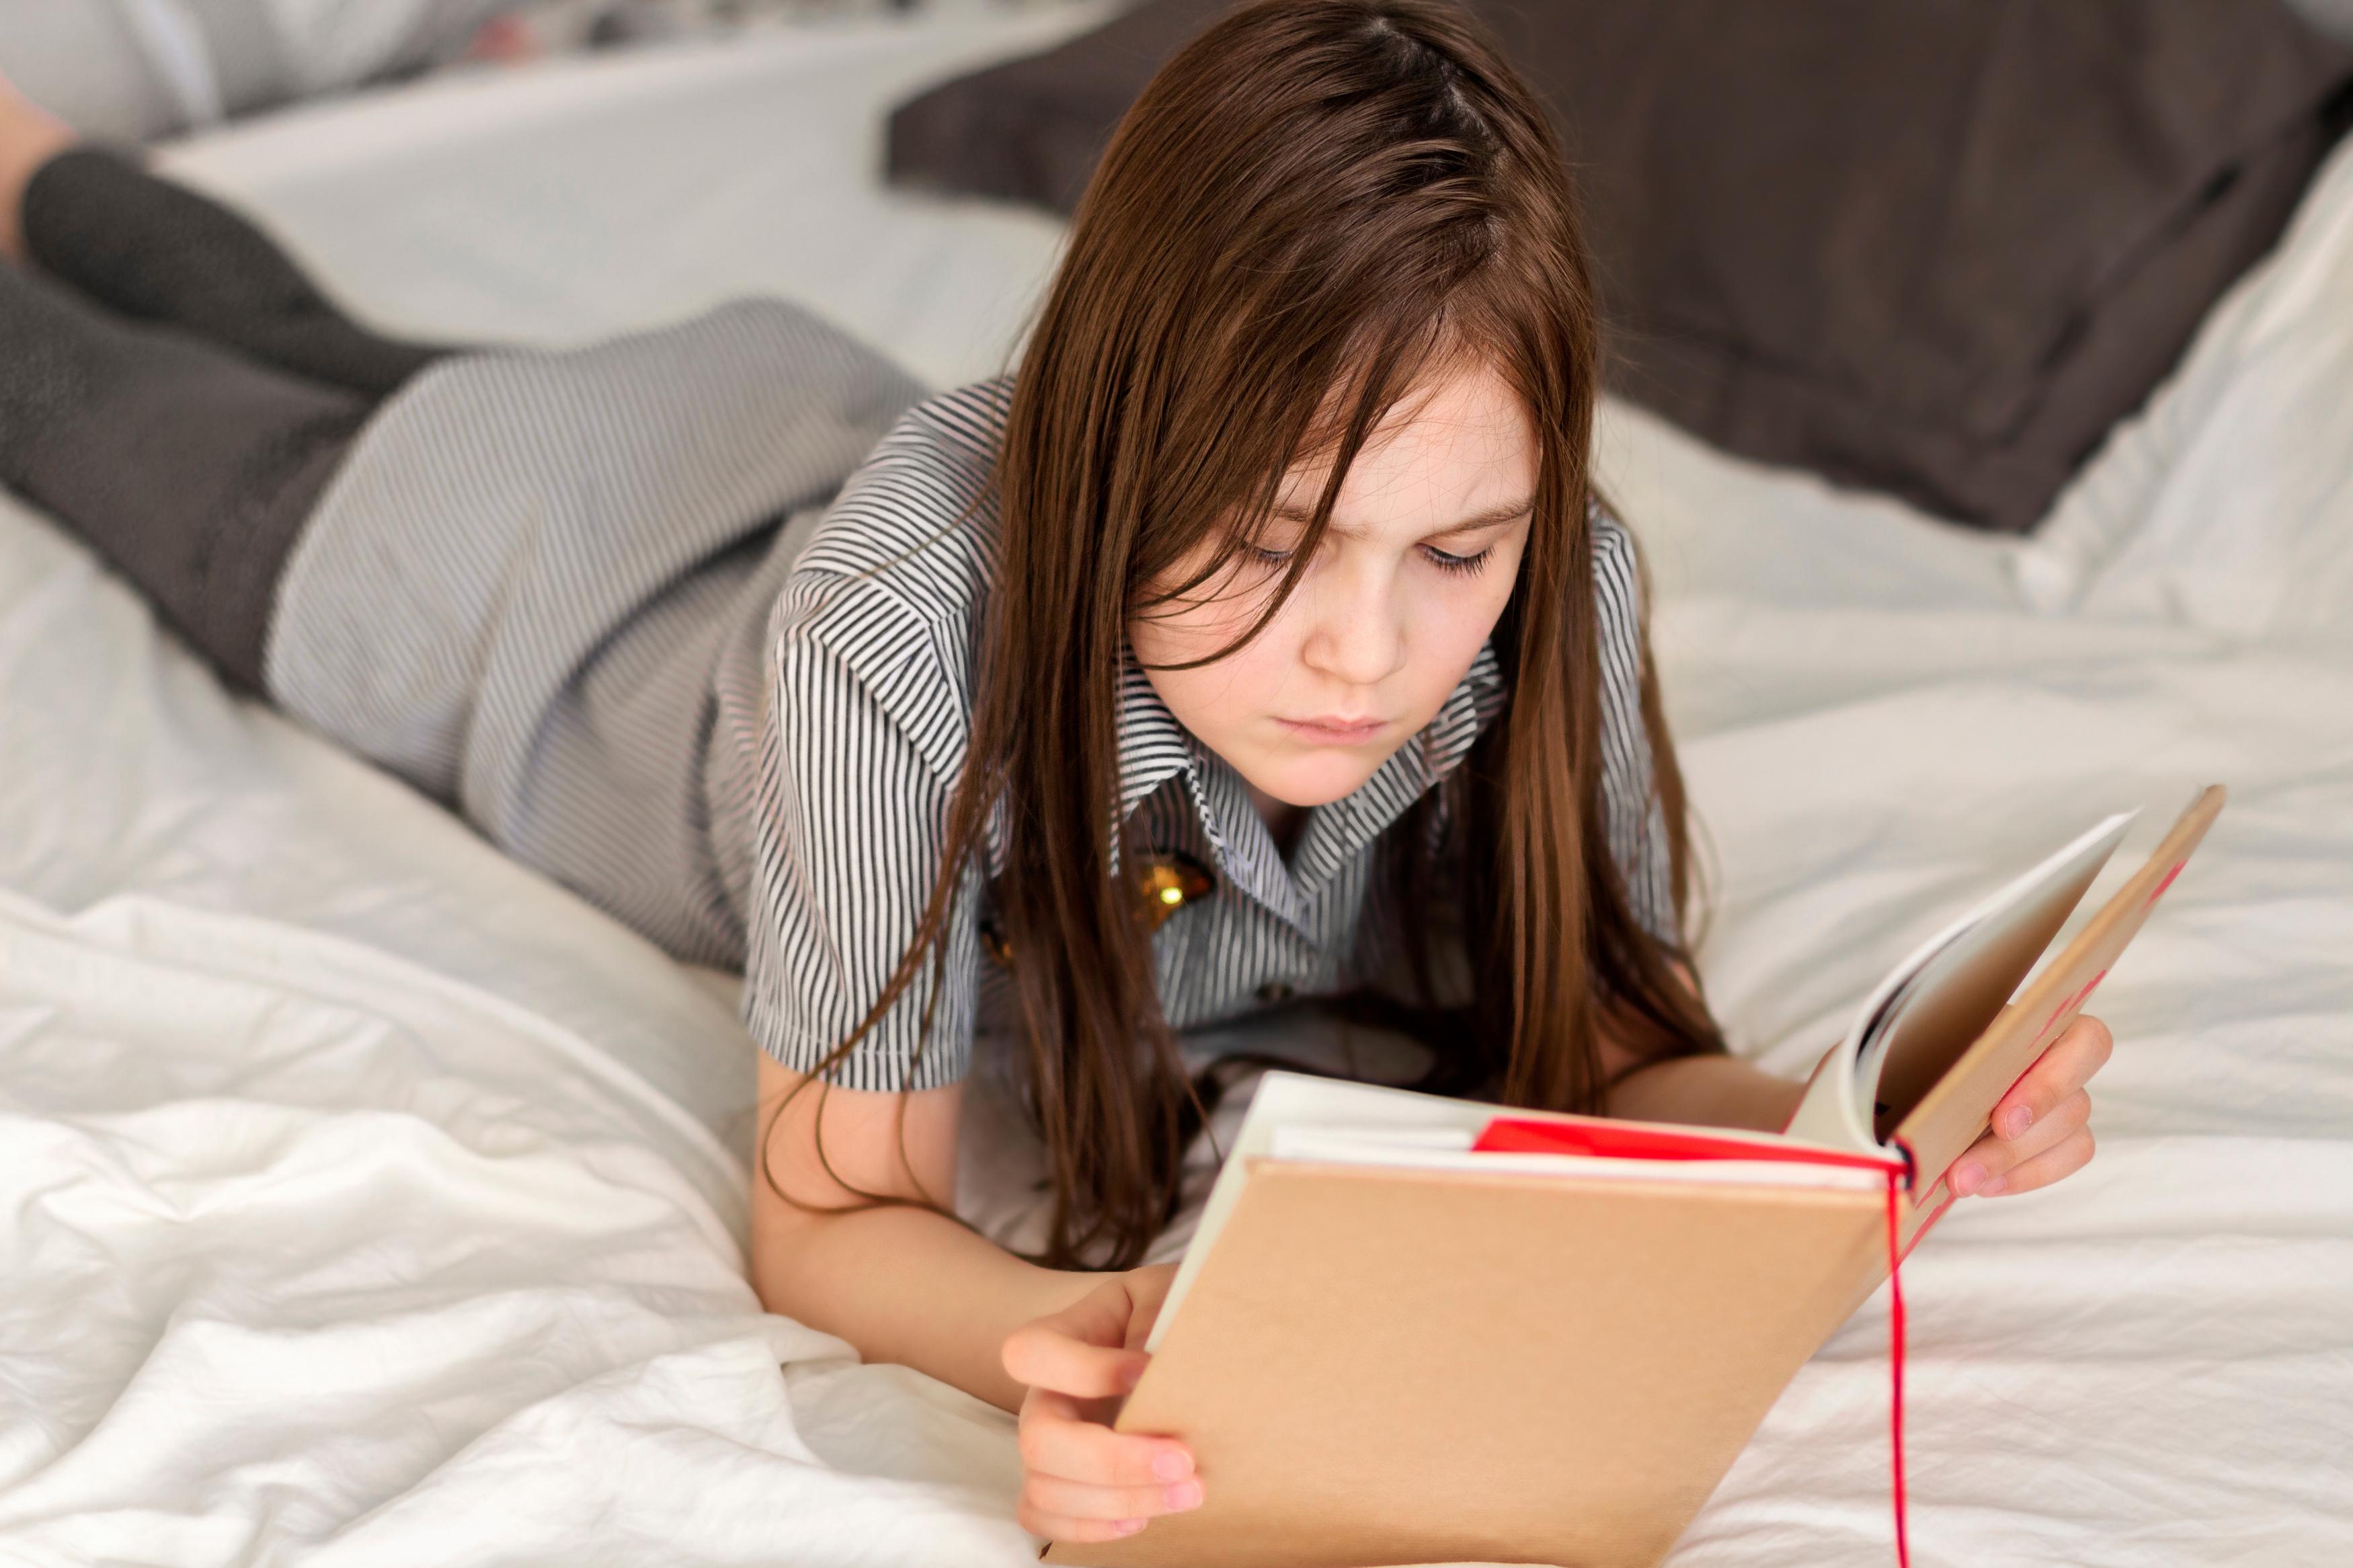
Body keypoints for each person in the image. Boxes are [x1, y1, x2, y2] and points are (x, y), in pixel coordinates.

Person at [0, 0, 2114, 1546]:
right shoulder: (897, 646)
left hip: (725, 447)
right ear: (1115, 461)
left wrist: (1858, 1143)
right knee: (80, 380)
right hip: (511, 578)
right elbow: (834, 1219)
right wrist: (1108, 1336)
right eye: (1271, 546)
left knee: (260, 311)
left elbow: (1623, 1053)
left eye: (1452, 552)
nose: (1365, 655)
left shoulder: (1564, 590)